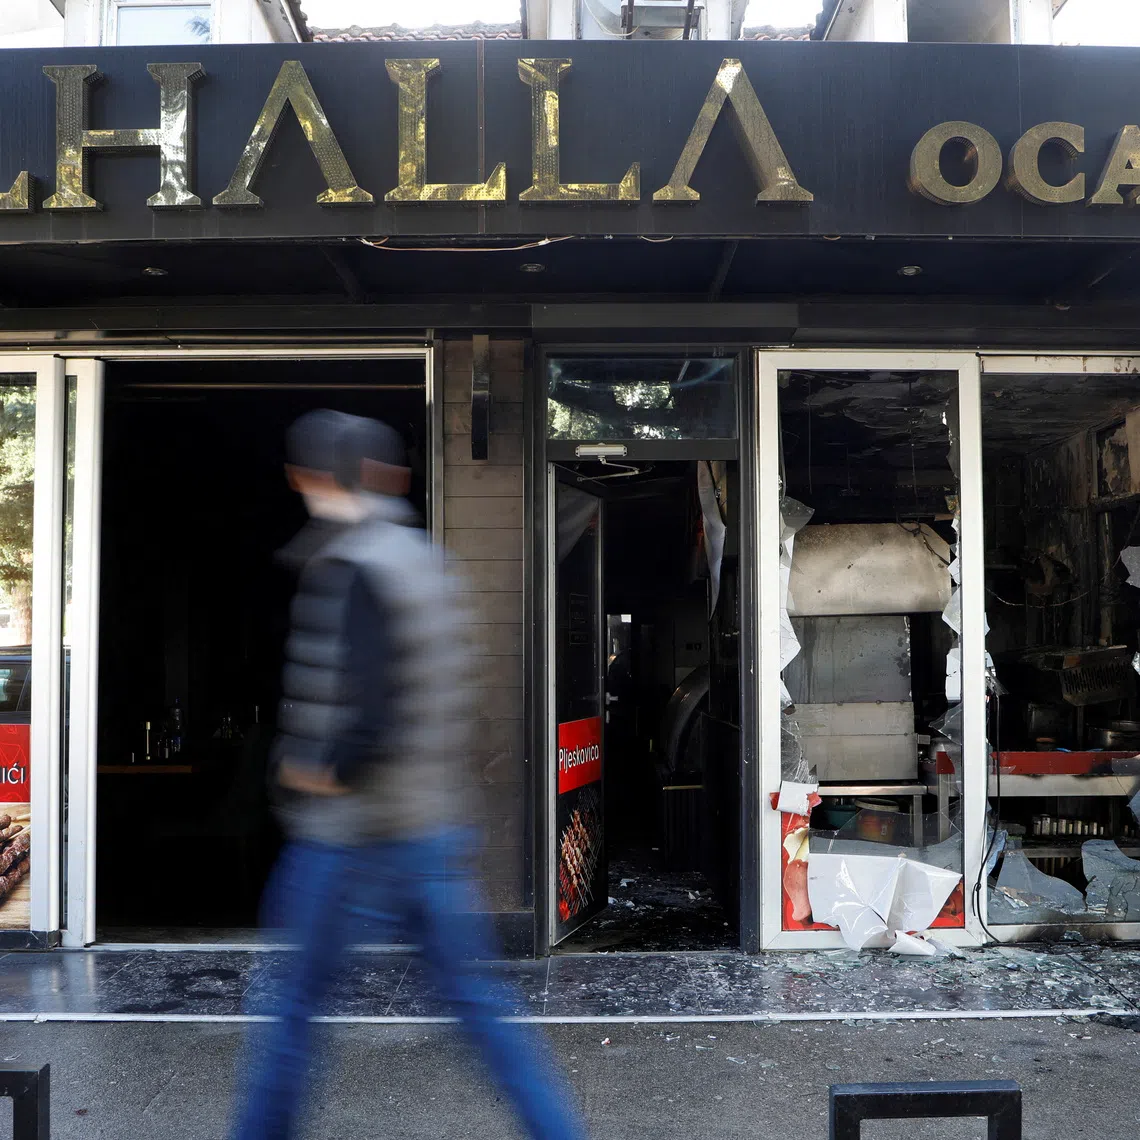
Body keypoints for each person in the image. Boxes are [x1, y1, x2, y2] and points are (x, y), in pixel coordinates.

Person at [230, 410, 586, 1140]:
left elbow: (372, 713)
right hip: (432, 832)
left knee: (293, 1009)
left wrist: (314, 773)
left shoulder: (351, 565)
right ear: (389, 477)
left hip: (348, 838)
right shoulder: (430, 562)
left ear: (314, 478)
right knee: (481, 1010)